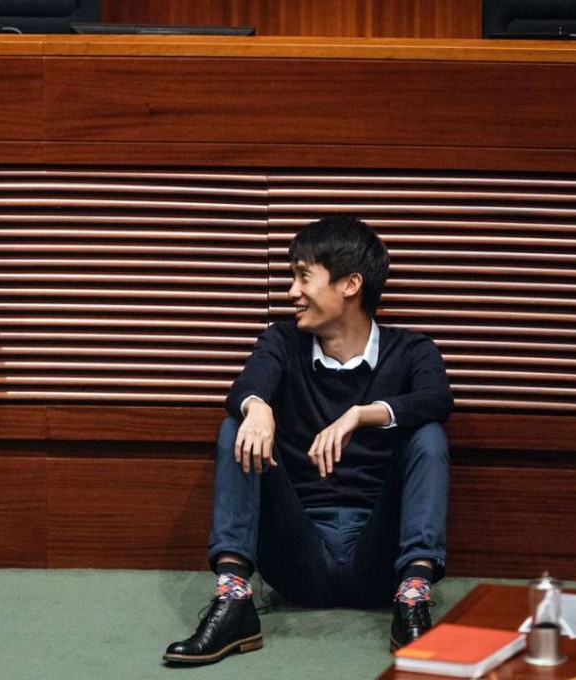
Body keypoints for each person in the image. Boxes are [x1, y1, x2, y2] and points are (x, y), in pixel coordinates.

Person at [163, 216, 453, 664]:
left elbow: (437, 399)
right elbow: (246, 387)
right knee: (236, 424)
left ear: (350, 284)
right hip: (297, 555)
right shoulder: (283, 341)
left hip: (379, 564)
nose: (291, 292)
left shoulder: (411, 350)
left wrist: (361, 414)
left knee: (427, 436)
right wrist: (257, 407)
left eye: (303, 276)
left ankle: (413, 600)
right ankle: (234, 599)